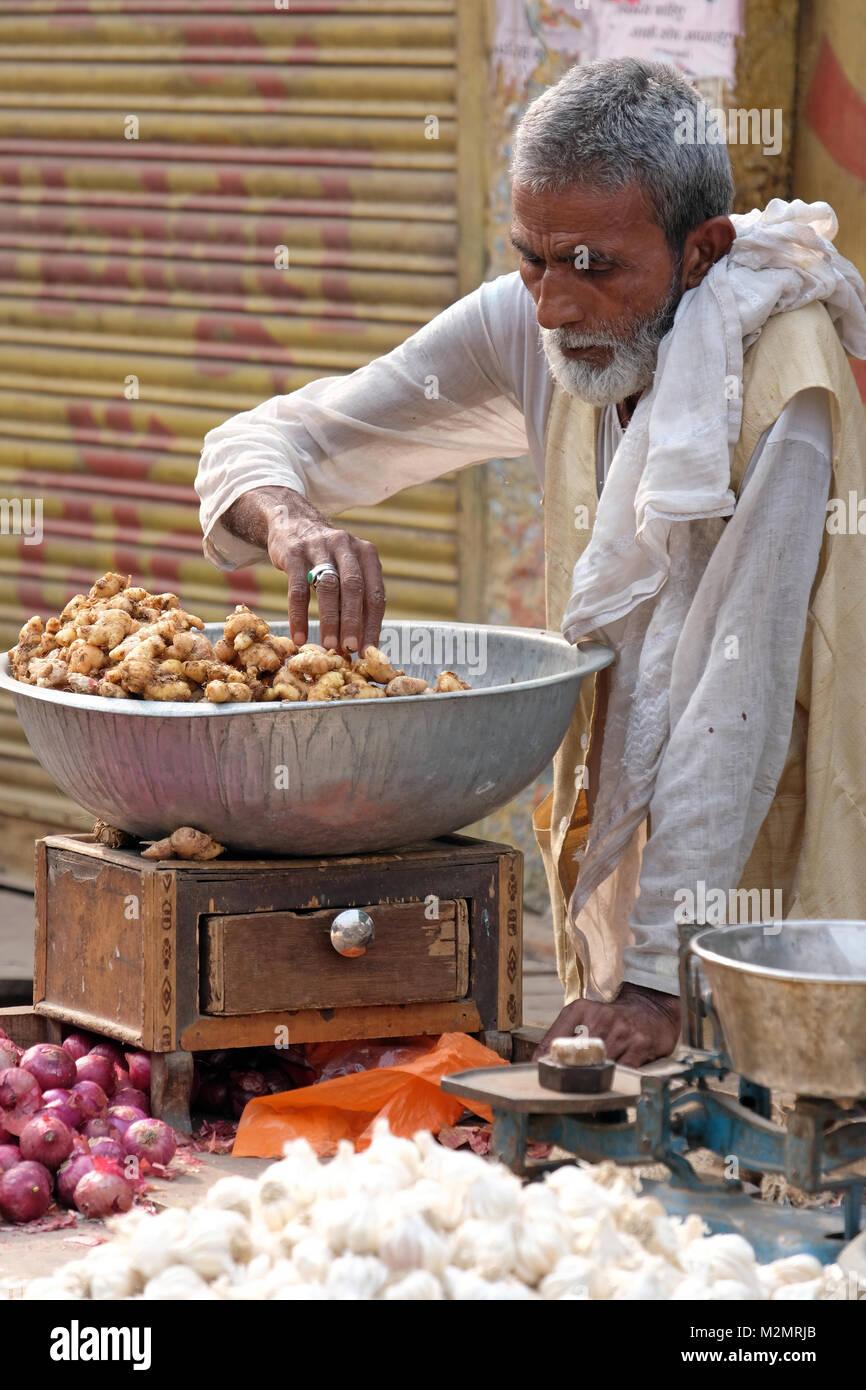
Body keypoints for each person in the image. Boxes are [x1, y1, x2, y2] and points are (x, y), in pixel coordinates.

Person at [195, 59, 866, 1067]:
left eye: (595, 266)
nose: (552, 305)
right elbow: (266, 438)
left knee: (787, 1107)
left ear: (700, 253)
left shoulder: (783, 375)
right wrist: (292, 521)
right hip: (647, 850)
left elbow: (737, 701)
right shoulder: (536, 318)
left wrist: (650, 979)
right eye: (532, 260)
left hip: (770, 829)